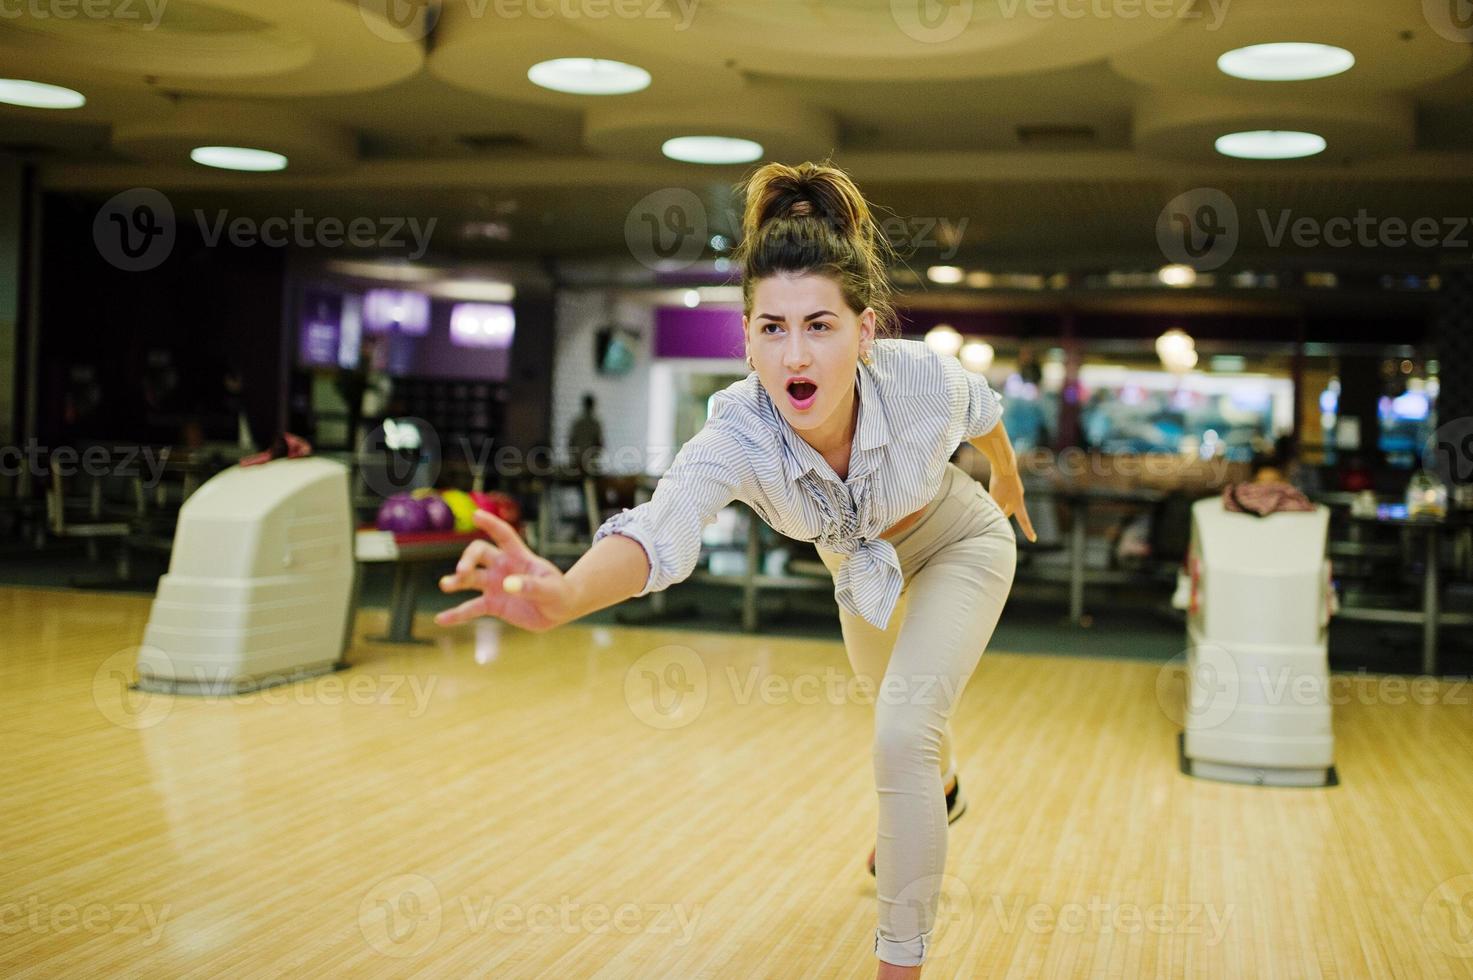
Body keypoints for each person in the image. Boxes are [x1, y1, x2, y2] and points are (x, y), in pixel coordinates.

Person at [435, 160, 1035, 978]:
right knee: (903, 721)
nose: (796, 353)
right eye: (773, 327)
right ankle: (945, 789)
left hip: (958, 542)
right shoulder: (737, 431)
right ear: (747, 337)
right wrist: (567, 592)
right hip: (858, 571)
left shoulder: (920, 379)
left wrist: (1003, 476)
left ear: (863, 333)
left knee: (899, 733)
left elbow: (986, 412)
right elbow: (664, 524)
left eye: (820, 325)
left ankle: (901, 962)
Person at [567, 393, 605, 474]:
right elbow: (599, 443)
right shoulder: (595, 423)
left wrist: (574, 458)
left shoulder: (577, 422)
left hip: (578, 461)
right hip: (589, 462)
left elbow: (571, 443)